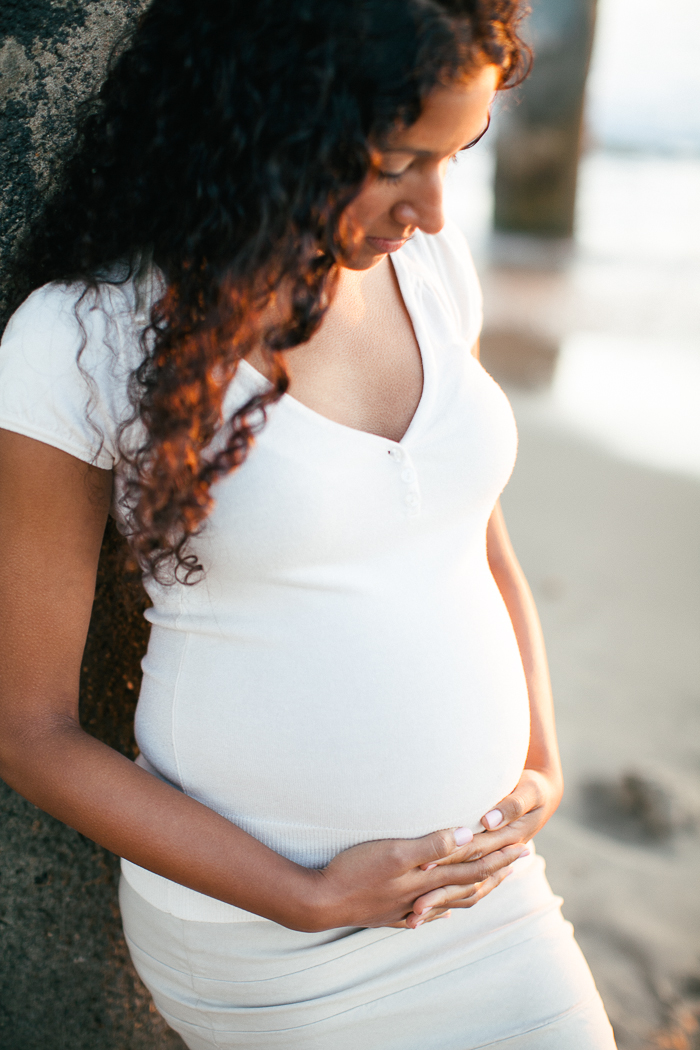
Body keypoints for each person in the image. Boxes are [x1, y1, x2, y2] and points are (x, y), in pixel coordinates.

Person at [0, 1, 617, 1047]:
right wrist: (307, 895)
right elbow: (29, 731)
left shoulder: (426, 270)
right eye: (391, 163)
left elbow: (477, 541)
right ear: (271, 123)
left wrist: (542, 764)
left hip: (491, 896)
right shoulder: (83, 338)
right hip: (272, 940)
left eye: (453, 158)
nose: (427, 209)